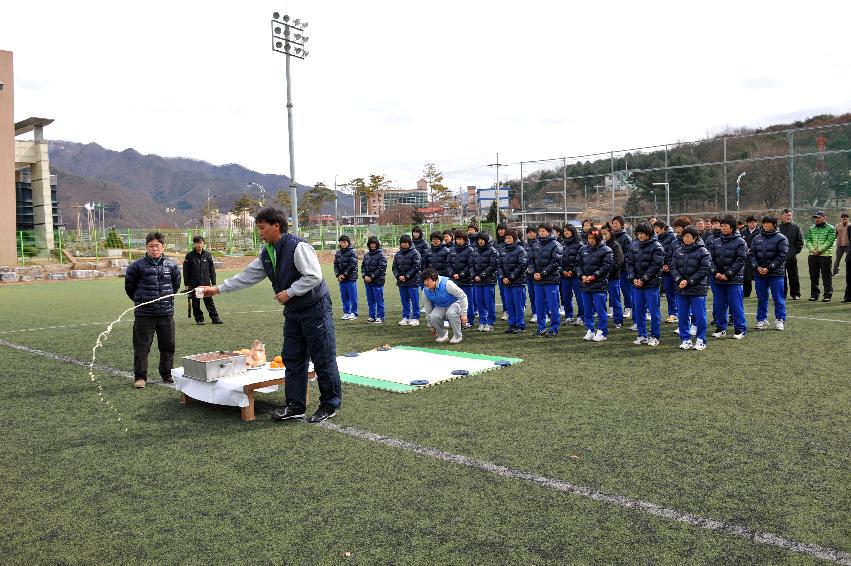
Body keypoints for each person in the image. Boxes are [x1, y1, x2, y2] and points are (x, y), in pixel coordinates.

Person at [198, 208, 341, 423]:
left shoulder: (298, 246)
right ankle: (295, 406)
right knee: (292, 358)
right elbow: (247, 276)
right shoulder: (267, 253)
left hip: (315, 309)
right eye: (258, 228)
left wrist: (290, 292)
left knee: (323, 358)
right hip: (293, 312)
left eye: (262, 227)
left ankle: (329, 405)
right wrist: (217, 289)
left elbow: (314, 276)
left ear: (277, 225)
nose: (260, 233)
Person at [125, 232, 182, 389]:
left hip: (166, 313)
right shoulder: (136, 266)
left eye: (157, 245)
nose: (154, 249)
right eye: (151, 246)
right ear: (146, 247)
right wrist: (142, 302)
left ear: (163, 247)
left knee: (168, 346)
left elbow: (175, 286)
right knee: (142, 347)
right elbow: (130, 288)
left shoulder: (171, 266)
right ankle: (140, 377)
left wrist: (165, 300)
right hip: (144, 314)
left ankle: (167, 374)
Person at [670, 226, 711, 351]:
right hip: (681, 289)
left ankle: (700, 340)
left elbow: (704, 270)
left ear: (695, 238)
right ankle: (685, 339)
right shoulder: (678, 251)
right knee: (682, 315)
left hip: (697, 288)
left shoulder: (703, 251)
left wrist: (688, 281)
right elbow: (673, 267)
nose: (686, 239)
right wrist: (679, 280)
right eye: (684, 236)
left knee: (700, 315)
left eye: (688, 236)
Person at [708, 216, 747, 339]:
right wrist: (716, 273)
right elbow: (710, 259)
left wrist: (728, 274)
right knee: (719, 305)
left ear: (732, 227)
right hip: (718, 280)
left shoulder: (740, 242)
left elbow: (740, 260)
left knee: (736, 305)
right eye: (722, 225)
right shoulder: (716, 241)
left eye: (725, 226)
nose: (722, 228)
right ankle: (721, 328)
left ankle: (740, 329)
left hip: (734, 280)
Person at [626, 223, 665, 346]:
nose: (640, 235)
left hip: (651, 284)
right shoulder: (634, 245)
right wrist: (633, 278)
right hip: (637, 284)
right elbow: (629, 262)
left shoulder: (657, 247)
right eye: (638, 233)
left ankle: (655, 336)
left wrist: (644, 279)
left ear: (648, 234)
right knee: (638, 311)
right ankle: (642, 335)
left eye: (642, 233)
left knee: (654, 311)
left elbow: (656, 265)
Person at [750, 215, 789, 331]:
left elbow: (782, 255)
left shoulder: (781, 238)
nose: (765, 225)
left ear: (774, 225)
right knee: (761, 298)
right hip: (760, 274)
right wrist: (757, 267)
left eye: (768, 223)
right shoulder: (756, 238)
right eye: (764, 223)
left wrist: (769, 268)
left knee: (778, 297)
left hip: (775, 274)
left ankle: (780, 319)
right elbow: (751, 254)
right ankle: (761, 319)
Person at [577, 228, 613, 342]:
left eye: (593, 238)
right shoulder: (582, 249)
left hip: (599, 285)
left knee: (600, 309)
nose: (590, 241)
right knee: (587, 309)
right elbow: (577, 264)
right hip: (585, 284)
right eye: (589, 238)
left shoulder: (606, 250)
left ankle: (602, 331)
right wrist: (581, 275)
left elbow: (606, 266)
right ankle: (590, 330)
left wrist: (594, 276)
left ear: (598, 238)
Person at [531, 223, 563, 337]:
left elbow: (556, 263)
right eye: (539, 231)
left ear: (549, 232)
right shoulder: (536, 244)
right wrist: (534, 272)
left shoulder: (556, 245)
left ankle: (554, 328)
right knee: (539, 306)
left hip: (551, 280)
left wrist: (543, 273)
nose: (541, 233)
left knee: (553, 306)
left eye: (543, 231)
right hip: (538, 281)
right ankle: (541, 328)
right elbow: (531, 260)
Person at [422, 268, 468, 344]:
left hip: (455, 303)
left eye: (428, 280)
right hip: (440, 306)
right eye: (424, 281)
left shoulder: (447, 284)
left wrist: (464, 314)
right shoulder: (425, 290)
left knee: (451, 313)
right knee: (433, 316)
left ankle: (457, 336)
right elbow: (428, 308)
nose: (426, 283)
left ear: (434, 279)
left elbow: (463, 296)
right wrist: (431, 325)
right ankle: (442, 335)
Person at [183, 235, 222, 326]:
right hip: (195, 285)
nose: (199, 245)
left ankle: (215, 318)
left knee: (209, 302)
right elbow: (186, 271)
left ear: (203, 243)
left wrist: (214, 282)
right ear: (194, 244)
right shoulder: (190, 256)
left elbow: (211, 269)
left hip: (206, 284)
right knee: (196, 303)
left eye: (200, 243)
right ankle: (199, 319)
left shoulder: (207, 255)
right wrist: (187, 283)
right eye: (197, 243)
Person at [499, 230, 527, 334]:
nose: (507, 240)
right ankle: (512, 324)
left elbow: (521, 266)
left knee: (518, 304)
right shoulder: (502, 250)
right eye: (506, 238)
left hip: (517, 282)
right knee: (509, 304)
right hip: (506, 283)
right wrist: (503, 277)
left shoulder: (520, 250)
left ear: (514, 239)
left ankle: (520, 325)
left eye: (509, 238)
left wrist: (510, 278)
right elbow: (499, 265)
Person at [447, 230, 476, 327]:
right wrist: (452, 273)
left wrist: (461, 274)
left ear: (465, 240)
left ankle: (469, 321)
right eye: (457, 239)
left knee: (468, 302)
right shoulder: (452, 250)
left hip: (467, 281)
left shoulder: (470, 250)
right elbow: (448, 264)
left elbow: (470, 265)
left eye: (460, 239)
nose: (458, 241)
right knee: (456, 302)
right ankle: (458, 321)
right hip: (455, 281)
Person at [805, 211, 836, 302]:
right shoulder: (811, 228)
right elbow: (808, 240)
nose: (816, 219)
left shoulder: (831, 228)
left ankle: (827, 295)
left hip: (825, 256)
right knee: (813, 276)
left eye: (818, 217)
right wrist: (812, 250)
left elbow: (829, 241)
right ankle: (814, 295)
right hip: (812, 256)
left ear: (824, 217)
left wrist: (819, 250)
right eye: (815, 218)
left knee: (826, 276)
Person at [471, 231, 498, 332]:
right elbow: (471, 265)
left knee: (489, 302)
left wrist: (482, 276)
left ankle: (490, 322)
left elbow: (492, 266)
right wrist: (474, 275)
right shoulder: (474, 251)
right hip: (477, 282)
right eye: (479, 240)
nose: (480, 241)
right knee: (479, 302)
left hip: (488, 281)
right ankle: (482, 321)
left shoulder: (493, 251)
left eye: (482, 240)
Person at [393, 234, 421, 325]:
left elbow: (416, 267)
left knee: (415, 301)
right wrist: (398, 276)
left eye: (405, 243)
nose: (404, 245)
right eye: (402, 243)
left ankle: (416, 318)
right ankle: (406, 317)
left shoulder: (415, 253)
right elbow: (394, 267)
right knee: (404, 301)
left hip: (412, 281)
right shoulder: (397, 254)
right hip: (401, 282)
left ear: (409, 243)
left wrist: (407, 276)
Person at [600, 224, 625, 329]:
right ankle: (603, 320)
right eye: (602, 234)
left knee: (615, 299)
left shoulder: (616, 246)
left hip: (613, 278)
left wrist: (606, 272)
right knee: (601, 300)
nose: (603, 236)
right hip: (601, 278)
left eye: (605, 234)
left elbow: (618, 263)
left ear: (610, 233)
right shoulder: (600, 246)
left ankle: (618, 320)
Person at [654, 220, 678, 324]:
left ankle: (680, 313)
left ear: (663, 228)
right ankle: (672, 314)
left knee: (677, 292)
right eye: (654, 228)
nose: (655, 230)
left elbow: (673, 253)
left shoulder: (672, 237)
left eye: (657, 228)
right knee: (669, 292)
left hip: (673, 269)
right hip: (663, 270)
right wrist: (662, 265)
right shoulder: (656, 238)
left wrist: (668, 264)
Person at [559, 224, 584, 326]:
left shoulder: (580, 245)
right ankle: (569, 316)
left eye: (568, 231)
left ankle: (581, 317)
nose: (566, 233)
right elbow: (557, 260)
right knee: (566, 297)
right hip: (564, 276)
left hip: (576, 276)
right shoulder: (560, 244)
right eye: (564, 231)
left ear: (573, 232)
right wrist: (563, 271)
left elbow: (580, 261)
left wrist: (573, 271)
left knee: (580, 297)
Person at [611, 216, 633, 319]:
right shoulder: (611, 236)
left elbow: (628, 254)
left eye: (616, 223)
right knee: (614, 291)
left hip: (623, 269)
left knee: (625, 289)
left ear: (622, 225)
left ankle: (628, 307)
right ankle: (613, 308)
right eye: (613, 223)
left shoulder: (626, 238)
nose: (614, 225)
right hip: (614, 269)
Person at [779, 208, 804, 300]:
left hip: (791, 257)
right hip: (780, 258)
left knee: (794, 276)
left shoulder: (796, 227)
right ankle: (783, 294)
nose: (789, 217)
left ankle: (795, 294)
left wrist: (793, 252)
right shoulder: (778, 228)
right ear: (781, 216)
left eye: (790, 215)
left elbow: (800, 242)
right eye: (787, 215)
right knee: (782, 277)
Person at [361, 235, 386, 323]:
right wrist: (364, 276)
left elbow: (381, 268)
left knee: (379, 300)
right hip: (367, 282)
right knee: (370, 300)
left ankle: (380, 317)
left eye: (374, 244)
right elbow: (363, 267)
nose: (372, 245)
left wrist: (371, 276)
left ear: (377, 244)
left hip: (377, 281)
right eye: (371, 244)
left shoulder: (381, 254)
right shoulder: (366, 255)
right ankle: (372, 316)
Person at [333, 234, 358, 320]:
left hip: (350, 278)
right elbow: (335, 265)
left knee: (353, 297)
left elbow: (352, 265)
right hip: (341, 279)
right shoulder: (338, 253)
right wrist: (338, 275)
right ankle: (346, 312)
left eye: (344, 242)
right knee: (344, 297)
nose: (343, 244)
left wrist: (344, 275)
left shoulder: (352, 252)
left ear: (348, 243)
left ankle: (354, 313)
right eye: (341, 242)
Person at [742, 215, 760, 298]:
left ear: (756, 223)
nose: (751, 224)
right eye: (749, 222)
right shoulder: (743, 232)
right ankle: (746, 294)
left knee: (758, 276)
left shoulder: (760, 232)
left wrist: (753, 250)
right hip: (746, 258)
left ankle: (759, 294)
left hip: (757, 257)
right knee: (746, 277)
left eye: (753, 222)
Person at [523, 226, 538, 323]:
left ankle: (545, 313)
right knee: (532, 295)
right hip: (529, 275)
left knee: (541, 296)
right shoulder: (525, 245)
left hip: (540, 275)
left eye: (532, 232)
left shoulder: (540, 244)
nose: (530, 234)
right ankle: (535, 313)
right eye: (528, 232)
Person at [495, 223, 509, 321]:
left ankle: (512, 310)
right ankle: (506, 310)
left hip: (511, 272)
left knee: (511, 293)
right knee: (503, 293)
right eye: (499, 230)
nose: (500, 231)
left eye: (502, 229)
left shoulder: (511, 241)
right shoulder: (496, 243)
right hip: (500, 272)